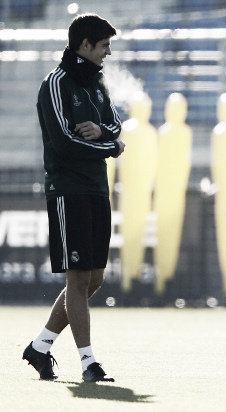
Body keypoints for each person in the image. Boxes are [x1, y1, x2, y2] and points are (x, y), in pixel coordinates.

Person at [23, 13, 124, 382]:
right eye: (104, 46)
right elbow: (64, 144)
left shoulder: (98, 84)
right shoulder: (55, 84)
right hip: (68, 191)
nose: (107, 53)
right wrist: (111, 147)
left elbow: (115, 123)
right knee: (79, 280)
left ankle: (40, 345)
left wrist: (102, 132)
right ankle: (88, 363)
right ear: (85, 46)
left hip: (97, 189)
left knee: (93, 279)